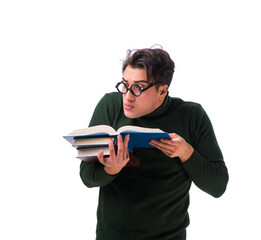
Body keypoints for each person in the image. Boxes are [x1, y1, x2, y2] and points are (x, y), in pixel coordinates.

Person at [79, 47, 229, 240]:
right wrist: (111, 170)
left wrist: (186, 153)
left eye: (138, 87)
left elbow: (218, 186)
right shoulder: (109, 106)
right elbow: (86, 176)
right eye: (124, 84)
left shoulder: (192, 116)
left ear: (162, 90)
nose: (128, 96)